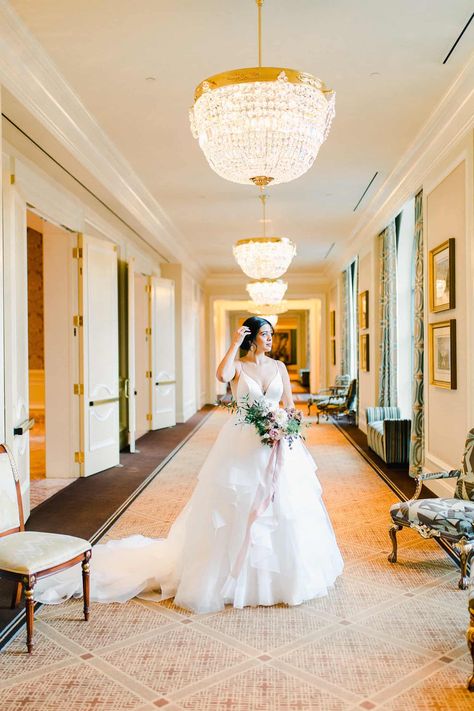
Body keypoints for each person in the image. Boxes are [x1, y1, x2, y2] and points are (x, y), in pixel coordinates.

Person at [36, 316, 343, 613]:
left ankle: (279, 578)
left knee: (283, 506)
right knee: (236, 502)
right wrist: (235, 343)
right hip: (241, 443)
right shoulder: (238, 365)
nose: (270, 340)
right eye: (264, 334)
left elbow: (288, 403)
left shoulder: (278, 367)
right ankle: (229, 577)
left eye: (271, 335)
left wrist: (287, 425)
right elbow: (221, 376)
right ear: (251, 338)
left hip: (277, 445)